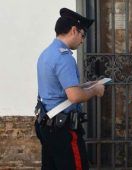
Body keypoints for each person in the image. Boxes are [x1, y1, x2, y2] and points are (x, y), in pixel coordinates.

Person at [35, 8, 105, 170]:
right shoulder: (64, 57)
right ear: (74, 30)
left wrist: (87, 85)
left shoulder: (47, 53)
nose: (82, 40)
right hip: (63, 129)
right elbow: (74, 96)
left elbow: (59, 89)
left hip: (46, 124)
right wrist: (96, 90)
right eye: (83, 35)